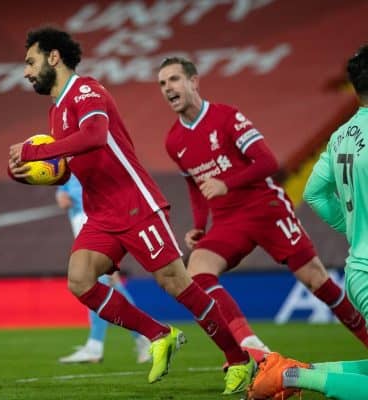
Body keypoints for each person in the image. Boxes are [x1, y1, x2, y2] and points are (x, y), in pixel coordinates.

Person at [8, 26, 255, 394]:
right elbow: (71, 166)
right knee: (80, 281)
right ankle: (159, 334)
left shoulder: (86, 89)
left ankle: (239, 360)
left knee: (176, 283)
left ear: (54, 57)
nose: (27, 71)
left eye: (31, 61)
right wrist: (33, 175)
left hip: (135, 204)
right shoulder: (56, 111)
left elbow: (94, 136)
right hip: (102, 213)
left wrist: (34, 152)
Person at [157, 56, 368, 362]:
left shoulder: (227, 117)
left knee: (315, 279)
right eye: (162, 83)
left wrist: (227, 183)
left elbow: (268, 163)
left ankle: (366, 337)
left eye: (174, 79)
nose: (167, 88)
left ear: (193, 81)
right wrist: (200, 225)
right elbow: (195, 185)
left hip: (265, 207)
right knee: (197, 272)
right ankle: (255, 349)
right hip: (228, 220)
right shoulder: (173, 141)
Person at [248, 44, 368, 400]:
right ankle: (291, 377)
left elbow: (315, 193)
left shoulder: (341, 135)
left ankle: (292, 372)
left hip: (359, 269)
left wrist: (353, 229)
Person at [56, 175, 151, 364]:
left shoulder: (92, 155)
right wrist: (61, 193)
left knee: (94, 283)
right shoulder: (68, 158)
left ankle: (95, 346)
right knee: (110, 285)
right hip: (81, 219)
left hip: (95, 220)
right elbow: (65, 184)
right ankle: (144, 337)